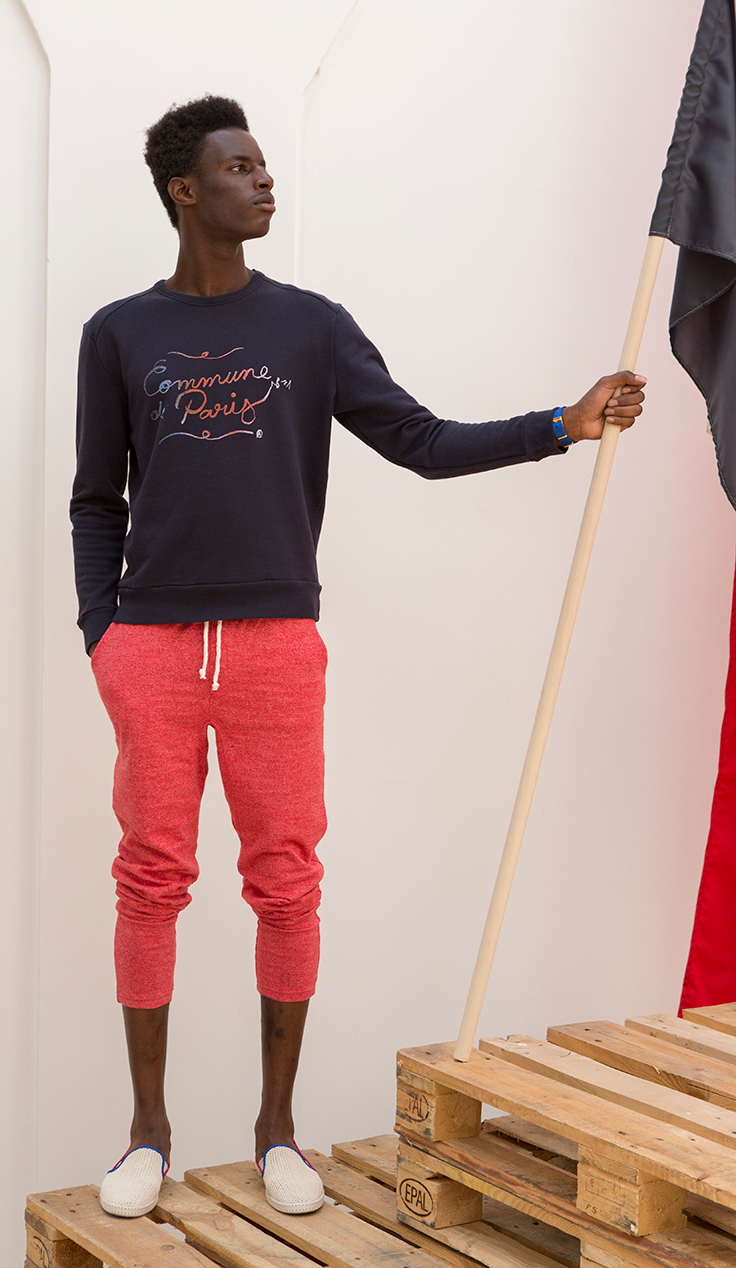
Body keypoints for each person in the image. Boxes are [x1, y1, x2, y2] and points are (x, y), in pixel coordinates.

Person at [70, 94, 645, 1221]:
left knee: (286, 879)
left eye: (264, 164)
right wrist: (107, 634)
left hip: (278, 644)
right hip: (152, 649)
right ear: (185, 190)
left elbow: (419, 440)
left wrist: (559, 425)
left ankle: (277, 1131)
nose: (264, 181)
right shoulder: (119, 333)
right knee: (151, 876)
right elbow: (98, 497)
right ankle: (146, 1135)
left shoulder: (309, 327)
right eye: (239, 167)